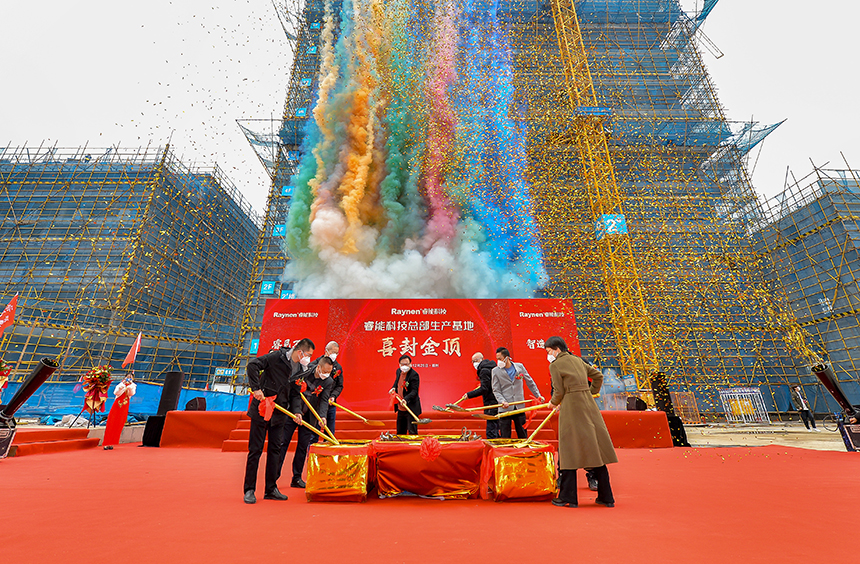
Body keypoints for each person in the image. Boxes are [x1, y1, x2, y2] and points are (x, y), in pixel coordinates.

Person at [545, 336, 618, 508]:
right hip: (589, 406)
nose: (548, 355)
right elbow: (598, 376)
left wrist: (553, 403)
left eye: (549, 351)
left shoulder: (555, 365)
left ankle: (568, 497)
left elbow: (558, 390)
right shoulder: (578, 360)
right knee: (595, 448)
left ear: (556, 349)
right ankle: (606, 497)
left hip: (571, 407)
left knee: (569, 449)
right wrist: (589, 392)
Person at [243, 338, 315, 504]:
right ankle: (249, 490)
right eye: (308, 355)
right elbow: (253, 365)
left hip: (280, 412)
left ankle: (271, 488)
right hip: (262, 408)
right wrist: (256, 388)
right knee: (255, 450)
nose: (309, 358)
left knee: (275, 449)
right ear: (300, 352)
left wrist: (297, 411)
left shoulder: (301, 369)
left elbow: (295, 393)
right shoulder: (277, 357)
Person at [280, 355, 335, 488]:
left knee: (303, 446)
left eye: (329, 372)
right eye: (325, 371)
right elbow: (293, 392)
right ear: (318, 367)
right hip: (293, 412)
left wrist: (322, 416)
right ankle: (273, 476)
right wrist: (296, 411)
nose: (326, 374)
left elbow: (323, 400)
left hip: (310, 416)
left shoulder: (328, 381)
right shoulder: (304, 371)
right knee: (283, 443)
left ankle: (297, 477)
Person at [491, 347, 543, 439]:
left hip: (519, 406)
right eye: (497, 359)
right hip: (505, 408)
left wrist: (538, 395)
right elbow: (496, 390)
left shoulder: (519, 367)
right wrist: (502, 401)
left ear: (507, 358)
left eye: (500, 359)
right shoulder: (495, 371)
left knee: (522, 434)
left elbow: (530, 382)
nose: (498, 361)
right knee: (505, 436)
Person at [460, 352, 500, 439]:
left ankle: (493, 445)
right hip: (497, 399)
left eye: (474, 361)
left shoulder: (484, 371)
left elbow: (485, 389)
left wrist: (469, 395)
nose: (473, 364)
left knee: (491, 429)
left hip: (491, 402)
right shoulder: (492, 367)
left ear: (479, 360)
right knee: (495, 427)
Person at [389, 354, 421, 435]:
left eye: (406, 364)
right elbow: (397, 382)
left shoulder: (414, 375)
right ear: (399, 364)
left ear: (410, 364)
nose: (404, 366)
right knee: (400, 432)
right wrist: (393, 388)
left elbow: (414, 391)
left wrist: (406, 399)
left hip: (410, 407)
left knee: (412, 432)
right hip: (401, 408)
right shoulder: (398, 371)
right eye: (402, 364)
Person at [102, 373, 137, 449]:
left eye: (130, 377)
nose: (129, 378)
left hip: (124, 406)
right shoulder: (120, 384)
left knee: (118, 424)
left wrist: (129, 386)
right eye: (128, 377)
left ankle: (112, 443)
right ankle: (106, 443)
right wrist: (123, 385)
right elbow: (116, 393)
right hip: (116, 405)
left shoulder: (133, 386)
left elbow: (132, 393)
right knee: (111, 423)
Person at [315, 341, 343, 432]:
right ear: (326, 351)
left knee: (330, 431)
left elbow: (339, 385)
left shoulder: (338, 367)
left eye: (336, 353)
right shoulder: (316, 364)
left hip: (330, 403)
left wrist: (333, 396)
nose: (334, 355)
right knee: (314, 432)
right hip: (317, 403)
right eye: (333, 352)